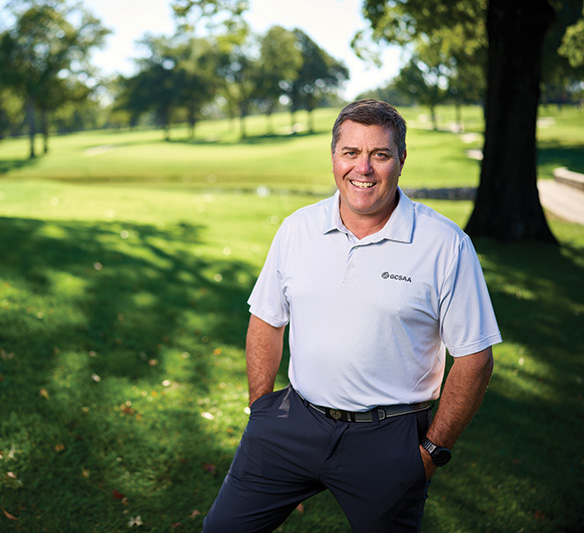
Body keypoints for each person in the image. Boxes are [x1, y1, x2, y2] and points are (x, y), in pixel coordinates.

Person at [202, 99, 501, 532]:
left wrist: (431, 452)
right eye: (351, 153)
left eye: (379, 155)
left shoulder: (445, 245)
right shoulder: (297, 229)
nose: (363, 168)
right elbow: (267, 319)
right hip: (290, 424)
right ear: (333, 158)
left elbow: (475, 358)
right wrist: (260, 409)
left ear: (400, 160)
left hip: (388, 438)